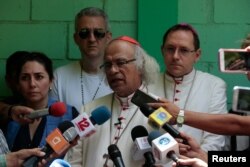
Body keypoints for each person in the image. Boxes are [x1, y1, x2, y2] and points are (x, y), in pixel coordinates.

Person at [64, 36, 161, 166]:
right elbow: (74, 160)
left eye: (120, 63)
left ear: (140, 66)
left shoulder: (158, 110)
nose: (112, 70)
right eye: (108, 65)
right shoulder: (89, 109)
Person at [155, 23, 228, 157]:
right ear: (162, 50)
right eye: (170, 49)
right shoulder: (148, 83)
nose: (175, 56)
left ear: (197, 55)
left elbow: (215, 137)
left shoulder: (214, 86)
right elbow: (147, 129)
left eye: (183, 50)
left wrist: (194, 158)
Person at [4, 52, 79, 165]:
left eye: (39, 77)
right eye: (25, 78)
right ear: (18, 84)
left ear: (51, 81)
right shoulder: (10, 116)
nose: (32, 84)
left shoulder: (69, 114)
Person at [50, 7, 113, 112]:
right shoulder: (60, 76)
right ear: (76, 38)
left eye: (98, 33)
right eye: (84, 33)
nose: (92, 39)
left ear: (108, 37)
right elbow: (53, 121)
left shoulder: (118, 76)